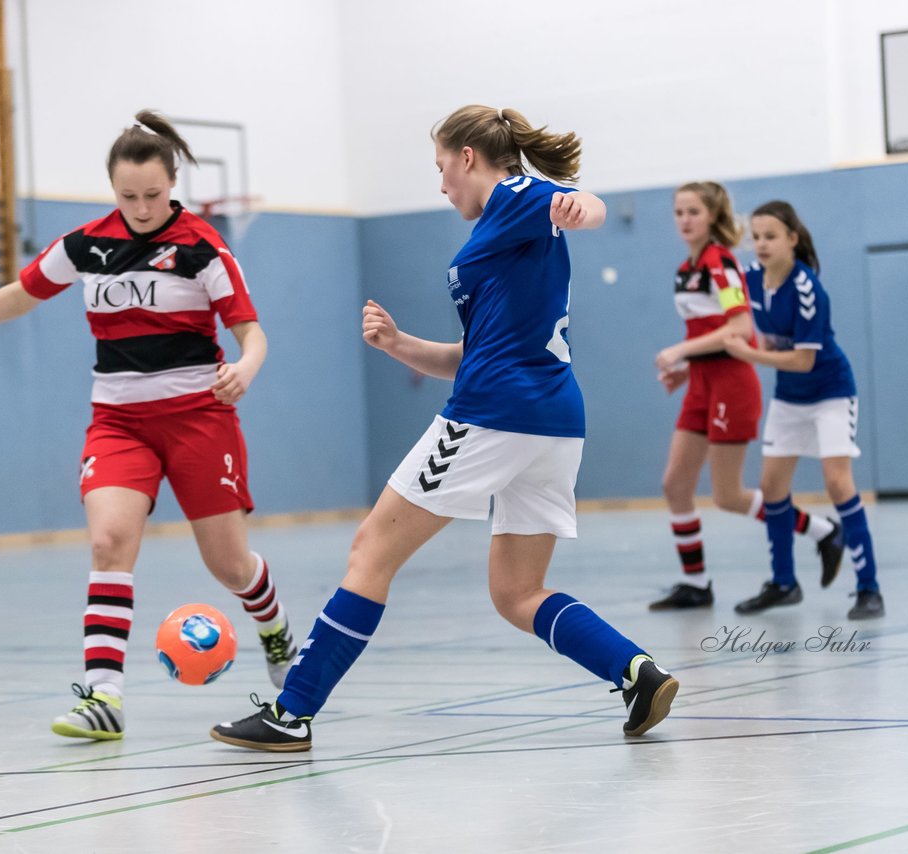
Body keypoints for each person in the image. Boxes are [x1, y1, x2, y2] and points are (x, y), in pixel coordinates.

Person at [210, 105, 678, 753]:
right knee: (518, 593)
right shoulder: (502, 234)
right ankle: (636, 672)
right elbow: (468, 353)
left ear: (467, 158)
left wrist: (581, 210)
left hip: (494, 411)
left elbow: (582, 203)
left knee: (370, 552)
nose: (440, 185)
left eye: (440, 168)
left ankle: (292, 713)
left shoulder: (514, 195)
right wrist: (399, 344)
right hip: (553, 419)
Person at [0, 110, 299, 740]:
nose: (140, 207)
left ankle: (274, 629)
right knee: (110, 542)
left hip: (198, 419)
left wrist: (246, 365)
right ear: (113, 190)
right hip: (119, 423)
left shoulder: (202, 249)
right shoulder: (87, 244)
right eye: (127, 195)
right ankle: (103, 696)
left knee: (228, 564)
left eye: (152, 195)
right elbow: (21, 292)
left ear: (173, 183)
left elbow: (251, 331)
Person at [651, 182, 842, 611]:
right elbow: (706, 331)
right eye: (679, 212)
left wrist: (680, 351)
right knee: (675, 484)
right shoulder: (687, 268)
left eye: (693, 211)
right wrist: (685, 369)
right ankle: (695, 583)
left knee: (728, 495)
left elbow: (739, 329)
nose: (684, 220)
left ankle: (821, 531)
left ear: (712, 215)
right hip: (701, 383)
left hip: (732, 385)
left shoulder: (722, 264)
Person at [723, 200, 884, 620]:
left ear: (792, 239)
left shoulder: (809, 288)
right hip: (789, 398)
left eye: (770, 236)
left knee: (837, 482)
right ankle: (783, 583)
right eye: (755, 237)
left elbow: (805, 361)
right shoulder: (749, 279)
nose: (760, 244)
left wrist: (750, 355)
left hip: (830, 392)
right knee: (772, 487)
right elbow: (726, 306)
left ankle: (869, 589)